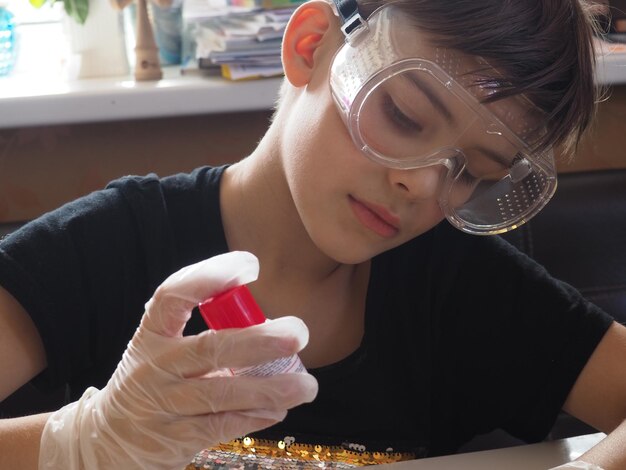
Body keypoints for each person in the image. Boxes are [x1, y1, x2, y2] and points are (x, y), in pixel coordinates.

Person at [1, 0, 624, 468]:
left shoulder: (458, 285)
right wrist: (82, 444)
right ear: (311, 45)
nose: (425, 187)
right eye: (404, 116)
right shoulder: (110, 245)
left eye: (472, 173)